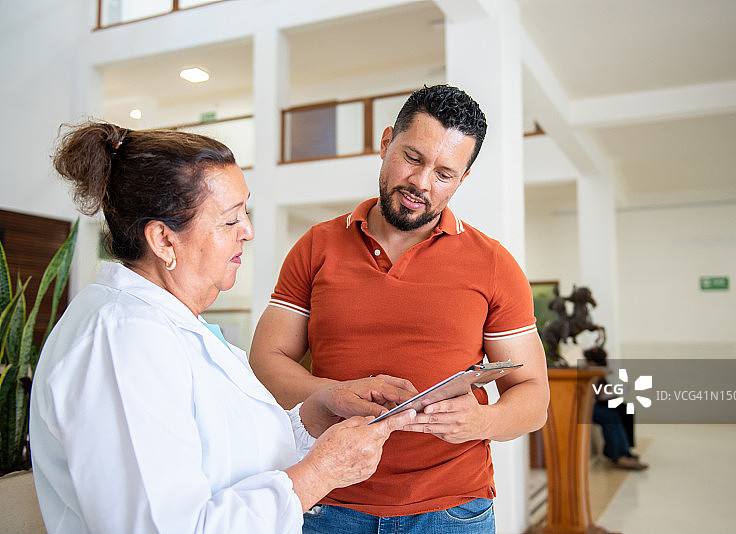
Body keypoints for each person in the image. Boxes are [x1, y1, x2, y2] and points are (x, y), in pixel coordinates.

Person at [29, 122, 417, 534]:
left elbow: (231, 453)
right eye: (231, 220)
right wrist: (322, 472)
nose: (248, 231)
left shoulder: (170, 324)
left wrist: (314, 415)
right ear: (163, 240)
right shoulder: (121, 342)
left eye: (245, 212)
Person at [250, 85, 550, 533]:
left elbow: (533, 397)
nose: (421, 183)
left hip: (452, 513)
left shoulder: (493, 263)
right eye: (413, 158)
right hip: (326, 500)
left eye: (444, 174)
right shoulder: (316, 247)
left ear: (463, 179)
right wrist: (331, 394)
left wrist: (483, 420)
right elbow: (265, 360)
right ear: (387, 141)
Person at [584, 347, 647, 470]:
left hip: (596, 403)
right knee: (611, 416)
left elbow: (601, 391)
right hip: (588, 406)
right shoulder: (589, 372)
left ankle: (624, 451)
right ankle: (618, 455)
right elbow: (597, 393)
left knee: (625, 409)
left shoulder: (597, 373)